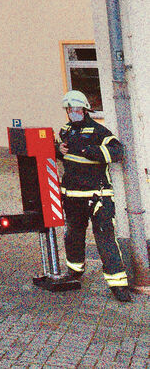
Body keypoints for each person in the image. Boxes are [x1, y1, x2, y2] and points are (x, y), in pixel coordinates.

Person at [56, 90, 131, 301]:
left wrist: (94, 151)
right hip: (72, 196)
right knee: (73, 237)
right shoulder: (65, 130)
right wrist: (57, 150)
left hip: (98, 196)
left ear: (85, 109)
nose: (73, 112)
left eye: (77, 109)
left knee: (105, 240)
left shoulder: (99, 131)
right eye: (70, 109)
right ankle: (75, 271)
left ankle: (118, 285)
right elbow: (59, 153)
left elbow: (117, 152)